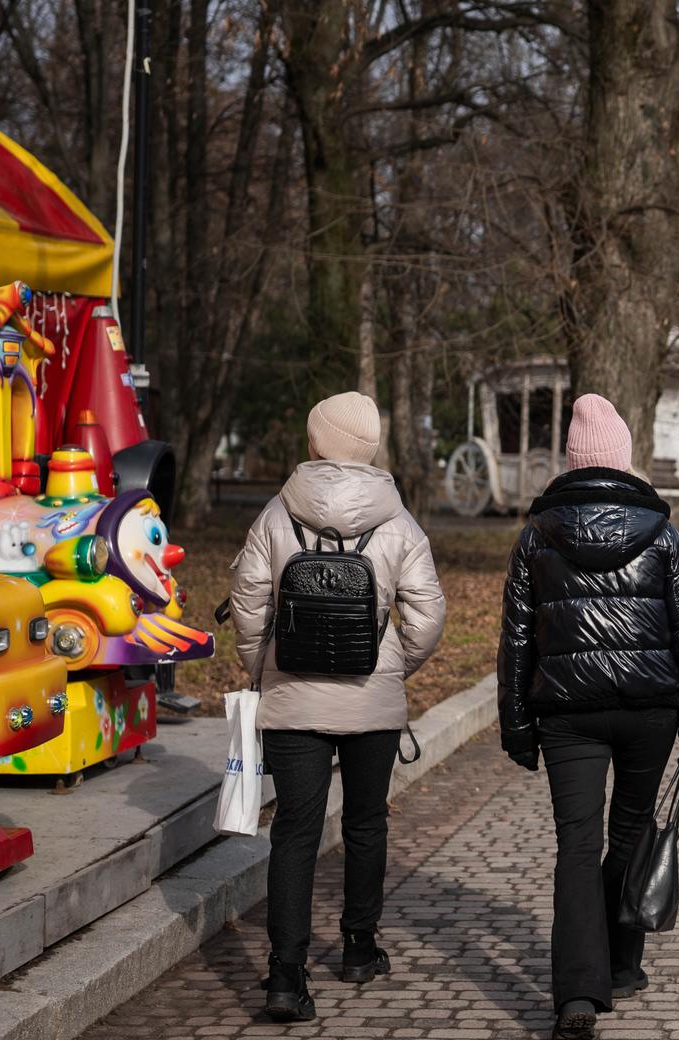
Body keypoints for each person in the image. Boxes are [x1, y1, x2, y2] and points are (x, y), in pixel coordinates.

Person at [498, 394, 679, 1040]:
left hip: (567, 713)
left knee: (578, 844)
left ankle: (578, 996)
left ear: (573, 462)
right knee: (628, 834)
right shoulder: (662, 532)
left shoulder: (538, 533)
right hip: (649, 709)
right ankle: (622, 965)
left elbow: (515, 637)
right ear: (621, 460)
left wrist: (515, 722)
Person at [229, 391, 446, 1024]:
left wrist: (260, 669)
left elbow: (248, 603)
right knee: (366, 824)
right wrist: (392, 668)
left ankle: (285, 978)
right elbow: (427, 616)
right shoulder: (399, 523)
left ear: (317, 440)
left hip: (292, 699)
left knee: (295, 831)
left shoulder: (276, 515)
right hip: (371, 700)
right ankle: (357, 948)